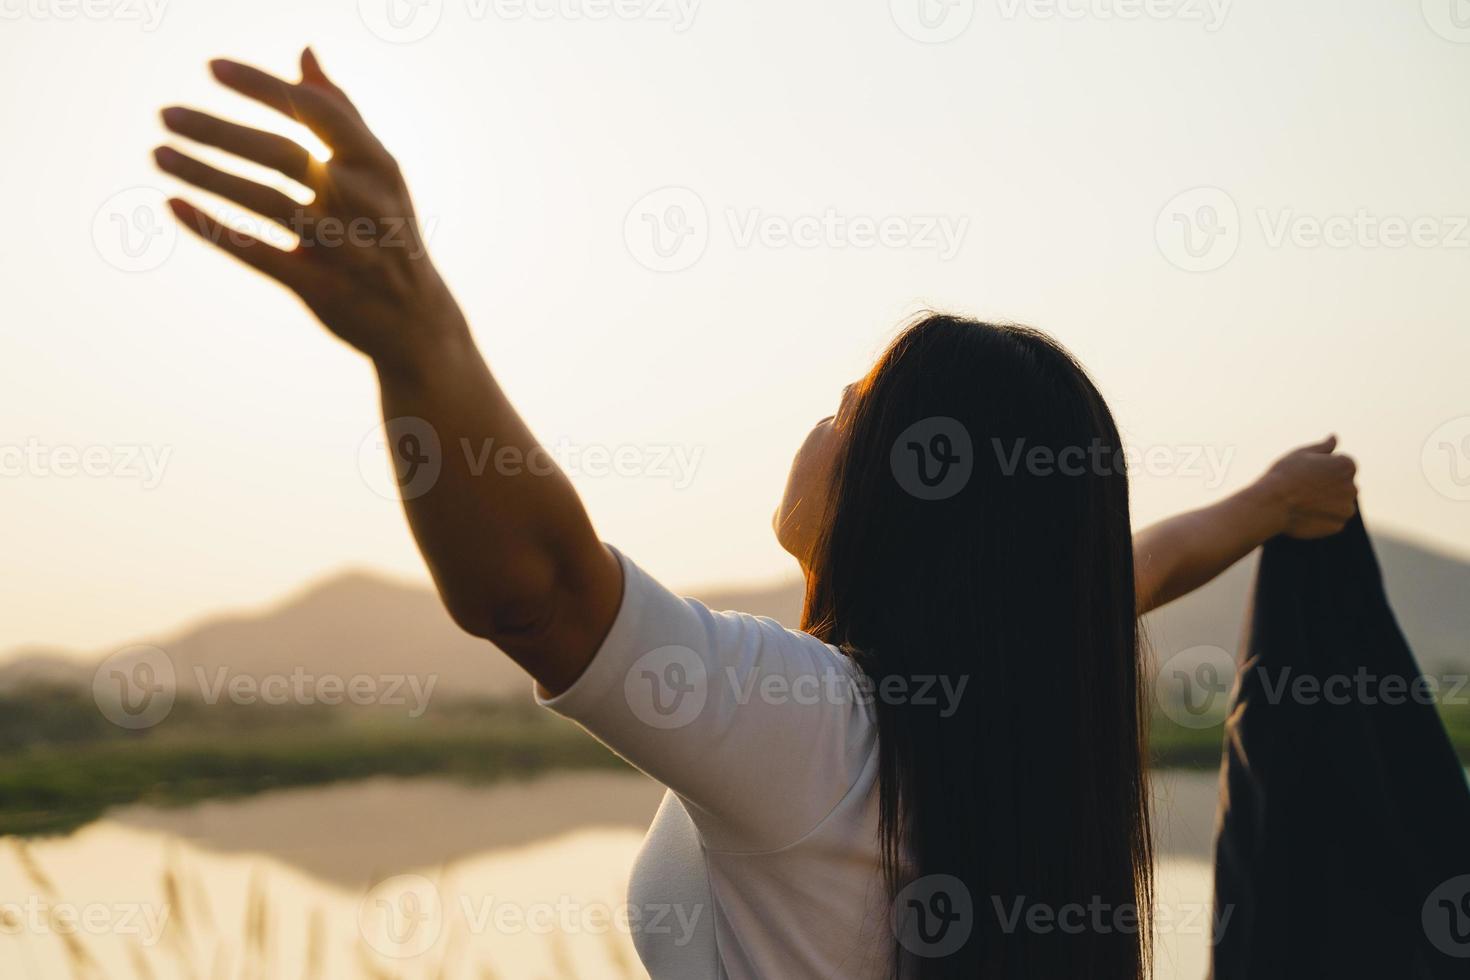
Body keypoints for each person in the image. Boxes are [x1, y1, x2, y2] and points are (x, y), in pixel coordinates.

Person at [153, 51, 1358, 979]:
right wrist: (1267, 502)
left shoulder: (814, 727)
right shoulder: (1006, 701)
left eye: (854, 410)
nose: (822, 422)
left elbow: (545, 589)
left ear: (910, 493)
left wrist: (420, 336)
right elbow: (1112, 572)